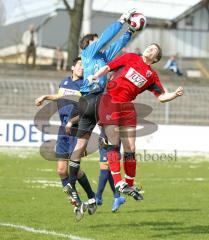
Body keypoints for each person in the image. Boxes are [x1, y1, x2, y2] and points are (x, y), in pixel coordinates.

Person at [89, 43, 184, 200]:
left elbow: (161, 97)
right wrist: (96, 76)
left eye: (154, 50)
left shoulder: (151, 76)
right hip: (110, 101)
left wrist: (174, 94)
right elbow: (108, 67)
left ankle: (129, 184)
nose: (149, 49)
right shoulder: (130, 57)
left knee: (131, 148)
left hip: (127, 107)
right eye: (149, 47)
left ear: (156, 59)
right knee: (113, 142)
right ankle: (118, 181)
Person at [65, 9, 137, 215]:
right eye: (96, 40)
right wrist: (121, 20)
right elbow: (107, 37)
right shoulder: (88, 53)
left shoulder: (103, 58)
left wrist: (131, 31)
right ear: (88, 44)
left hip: (88, 102)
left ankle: (72, 183)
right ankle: (119, 184)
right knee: (111, 139)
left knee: (82, 145)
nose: (100, 42)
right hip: (94, 101)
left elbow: (118, 44)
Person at [35, 57, 95, 221]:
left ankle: (90, 197)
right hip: (63, 130)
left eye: (84, 65)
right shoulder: (65, 82)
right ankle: (78, 202)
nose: (82, 68)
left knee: (73, 170)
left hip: (77, 129)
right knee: (62, 171)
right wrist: (45, 96)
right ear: (72, 67)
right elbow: (60, 96)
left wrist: (71, 121)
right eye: (80, 65)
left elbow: (87, 109)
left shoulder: (85, 85)